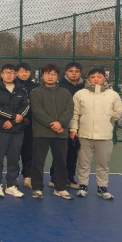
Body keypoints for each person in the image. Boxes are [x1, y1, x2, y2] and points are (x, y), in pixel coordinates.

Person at [70, 68, 122, 200]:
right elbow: (75, 113)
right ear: (88, 79)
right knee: (83, 164)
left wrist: (109, 119)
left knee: (103, 164)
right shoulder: (80, 94)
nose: (96, 79)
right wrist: (73, 129)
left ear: (104, 78)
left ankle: (102, 188)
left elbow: (118, 110)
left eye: (99, 77)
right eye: (93, 77)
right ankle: (83, 186)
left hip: (104, 136)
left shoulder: (113, 95)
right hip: (84, 135)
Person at [29, 64, 74, 200]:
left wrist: (60, 123)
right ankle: (37, 188)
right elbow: (37, 111)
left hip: (60, 133)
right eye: (47, 74)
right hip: (41, 133)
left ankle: (60, 188)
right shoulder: (35, 92)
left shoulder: (65, 92)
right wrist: (53, 124)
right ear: (42, 76)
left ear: (57, 76)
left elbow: (69, 110)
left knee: (61, 161)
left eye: (53, 74)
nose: (50, 76)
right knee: (38, 161)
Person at [0, 64, 29, 198]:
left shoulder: (22, 90)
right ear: (1, 75)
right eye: (6, 72)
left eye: (11, 72)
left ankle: (11, 186)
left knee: (14, 159)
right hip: (0, 130)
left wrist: (13, 122)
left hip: (17, 131)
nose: (8, 75)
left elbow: (26, 107)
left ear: (15, 74)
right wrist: (13, 117)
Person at [50, 62, 85, 189]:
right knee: (60, 153)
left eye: (76, 71)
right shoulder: (59, 86)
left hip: (78, 126)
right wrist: (60, 122)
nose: (74, 73)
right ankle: (54, 178)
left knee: (73, 153)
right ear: (66, 73)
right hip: (62, 125)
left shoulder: (84, 88)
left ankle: (70, 178)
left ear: (80, 73)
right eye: (71, 71)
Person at [16, 63, 39, 188]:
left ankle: (27, 177)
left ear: (30, 73)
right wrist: (19, 118)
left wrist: (28, 119)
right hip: (15, 124)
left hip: (31, 126)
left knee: (29, 152)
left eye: (26, 71)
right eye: (21, 71)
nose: (24, 73)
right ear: (17, 73)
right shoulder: (12, 86)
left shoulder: (35, 88)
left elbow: (37, 106)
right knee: (14, 152)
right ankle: (13, 177)